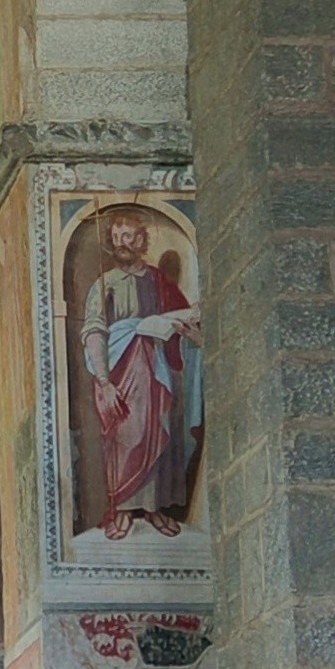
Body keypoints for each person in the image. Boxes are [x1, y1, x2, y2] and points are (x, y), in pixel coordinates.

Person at [72, 208, 202, 537]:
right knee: (125, 436)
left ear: (141, 240)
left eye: (128, 236)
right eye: (116, 238)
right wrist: (104, 382)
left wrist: (183, 327)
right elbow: (95, 332)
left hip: (157, 371)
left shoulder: (159, 280)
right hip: (121, 373)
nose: (122, 244)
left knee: (160, 432)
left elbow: (185, 319)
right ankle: (125, 510)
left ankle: (154, 508)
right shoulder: (105, 284)